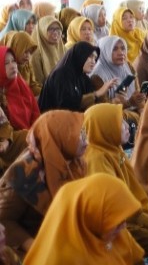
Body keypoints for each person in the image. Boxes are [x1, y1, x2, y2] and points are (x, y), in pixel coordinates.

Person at [83, 103, 148, 255]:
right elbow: (115, 203)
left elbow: (132, 193)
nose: (127, 126)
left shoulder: (114, 149)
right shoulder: (97, 158)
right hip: (115, 222)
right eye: (120, 122)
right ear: (105, 127)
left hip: (132, 214)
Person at [0, 110, 86, 257]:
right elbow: (3, 220)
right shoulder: (24, 172)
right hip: (33, 254)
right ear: (59, 137)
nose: (86, 141)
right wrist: (37, 248)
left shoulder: (73, 163)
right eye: (80, 135)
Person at [38, 42, 116, 113]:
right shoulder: (61, 75)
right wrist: (97, 94)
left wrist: (111, 101)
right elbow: (66, 105)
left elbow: (92, 106)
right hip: (53, 120)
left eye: (95, 58)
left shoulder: (83, 77)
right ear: (79, 55)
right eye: (90, 56)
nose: (93, 62)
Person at [91, 36, 147, 116]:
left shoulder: (127, 66)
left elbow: (137, 91)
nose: (121, 53)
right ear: (105, 51)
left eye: (123, 48)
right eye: (114, 49)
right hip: (112, 116)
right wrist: (129, 103)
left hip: (133, 112)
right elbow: (103, 108)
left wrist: (141, 108)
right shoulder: (97, 76)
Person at [0, 46, 39, 131]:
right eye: (6, 63)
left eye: (13, 61)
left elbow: (35, 113)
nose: (13, 66)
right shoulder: (2, 92)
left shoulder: (20, 83)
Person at [30, 15, 65, 89]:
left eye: (58, 29)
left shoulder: (62, 48)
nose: (55, 33)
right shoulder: (35, 54)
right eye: (50, 29)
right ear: (41, 31)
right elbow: (38, 83)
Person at [2, 31, 41, 98]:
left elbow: (32, 85)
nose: (28, 56)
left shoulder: (26, 65)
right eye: (25, 52)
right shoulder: (4, 68)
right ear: (15, 48)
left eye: (30, 52)